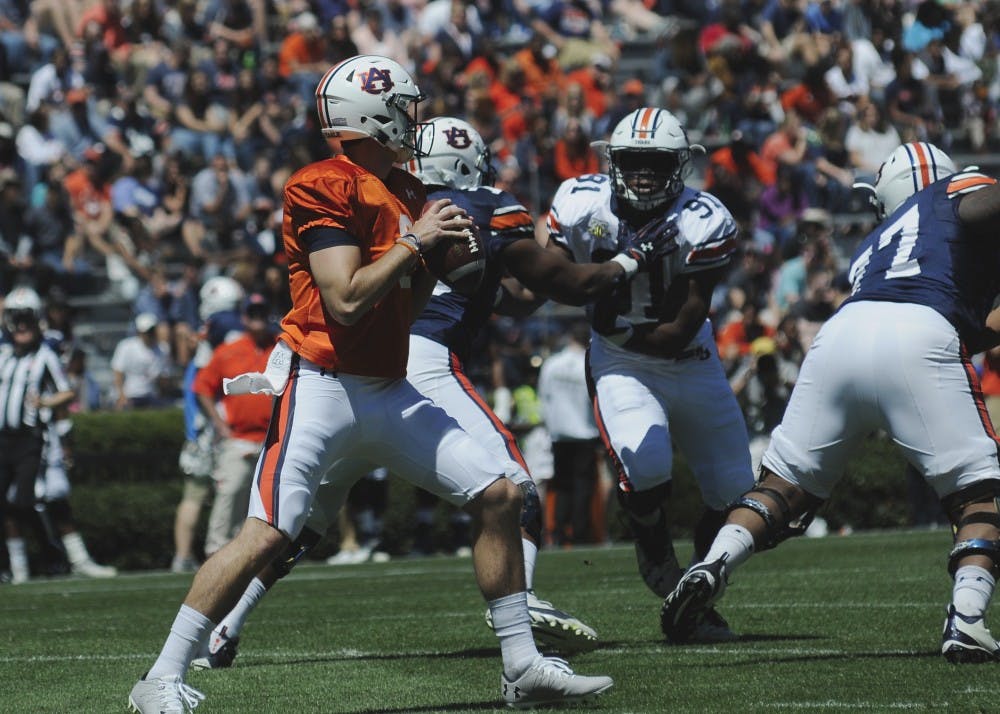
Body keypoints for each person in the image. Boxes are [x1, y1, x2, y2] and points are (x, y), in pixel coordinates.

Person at [128, 56, 613, 712]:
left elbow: (400, 314)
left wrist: (446, 269)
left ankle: (521, 666)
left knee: (500, 495)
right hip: (321, 384)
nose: (414, 119)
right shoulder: (321, 185)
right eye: (405, 108)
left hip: (386, 386)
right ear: (372, 115)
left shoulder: (413, 195)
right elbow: (346, 299)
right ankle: (159, 675)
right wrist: (416, 248)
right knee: (269, 531)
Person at [191, 115, 666, 669]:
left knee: (306, 519)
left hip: (352, 373)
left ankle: (225, 628)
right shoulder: (481, 204)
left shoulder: (393, 197)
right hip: (420, 362)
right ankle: (520, 606)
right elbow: (564, 284)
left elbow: (507, 299)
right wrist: (631, 257)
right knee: (513, 489)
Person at [660, 141, 1000, 665]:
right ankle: (968, 620)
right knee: (979, 495)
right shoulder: (954, 193)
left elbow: (957, 323)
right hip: (920, 332)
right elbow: (974, 211)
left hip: (841, 335)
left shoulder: (875, 242)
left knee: (783, 487)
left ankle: (712, 564)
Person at [546, 107, 756, 641]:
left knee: (736, 496)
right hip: (623, 364)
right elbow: (555, 277)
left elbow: (682, 327)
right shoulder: (578, 203)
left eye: (655, 163)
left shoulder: (703, 217)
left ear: (679, 166)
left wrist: (613, 328)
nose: (642, 173)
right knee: (646, 464)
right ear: (613, 162)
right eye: (632, 161)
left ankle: (697, 591)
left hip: (689, 359)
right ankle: (657, 555)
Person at [0, 286, 77, 584]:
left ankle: (51, 554)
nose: (21, 325)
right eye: (15, 318)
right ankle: (11, 568)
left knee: (22, 500)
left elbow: (67, 390)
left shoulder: (46, 355)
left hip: (29, 439)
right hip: (2, 440)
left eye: (26, 318)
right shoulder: (4, 353)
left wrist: (45, 402)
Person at [191, 293, 276, 558]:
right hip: (239, 437)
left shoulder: (282, 349)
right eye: (253, 313)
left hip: (274, 438)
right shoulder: (228, 351)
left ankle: (251, 554)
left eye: (262, 313)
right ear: (244, 317)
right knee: (230, 492)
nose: (257, 318)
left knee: (265, 501)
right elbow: (202, 387)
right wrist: (219, 424)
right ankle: (215, 550)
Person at [538, 321, 601, 546]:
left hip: (559, 432)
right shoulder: (590, 364)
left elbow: (543, 396)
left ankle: (558, 532)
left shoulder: (552, 364)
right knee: (584, 485)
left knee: (563, 484)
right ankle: (580, 532)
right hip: (585, 431)